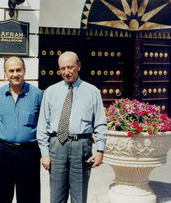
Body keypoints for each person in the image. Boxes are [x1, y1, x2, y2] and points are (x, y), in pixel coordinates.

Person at [37, 51, 108, 203]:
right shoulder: (50, 92)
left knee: (79, 196)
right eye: (62, 68)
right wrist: (44, 153)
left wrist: (100, 150)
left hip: (81, 147)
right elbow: (42, 124)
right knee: (56, 197)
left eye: (70, 67)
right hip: (57, 146)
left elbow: (100, 123)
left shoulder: (92, 92)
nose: (66, 72)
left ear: (79, 66)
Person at [0, 56, 43, 203]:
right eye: (11, 70)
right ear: (5, 73)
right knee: (0, 196)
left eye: (18, 70)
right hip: (3, 152)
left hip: (29, 153)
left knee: (29, 197)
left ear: (24, 71)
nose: (15, 74)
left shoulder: (37, 95)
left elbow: (44, 123)